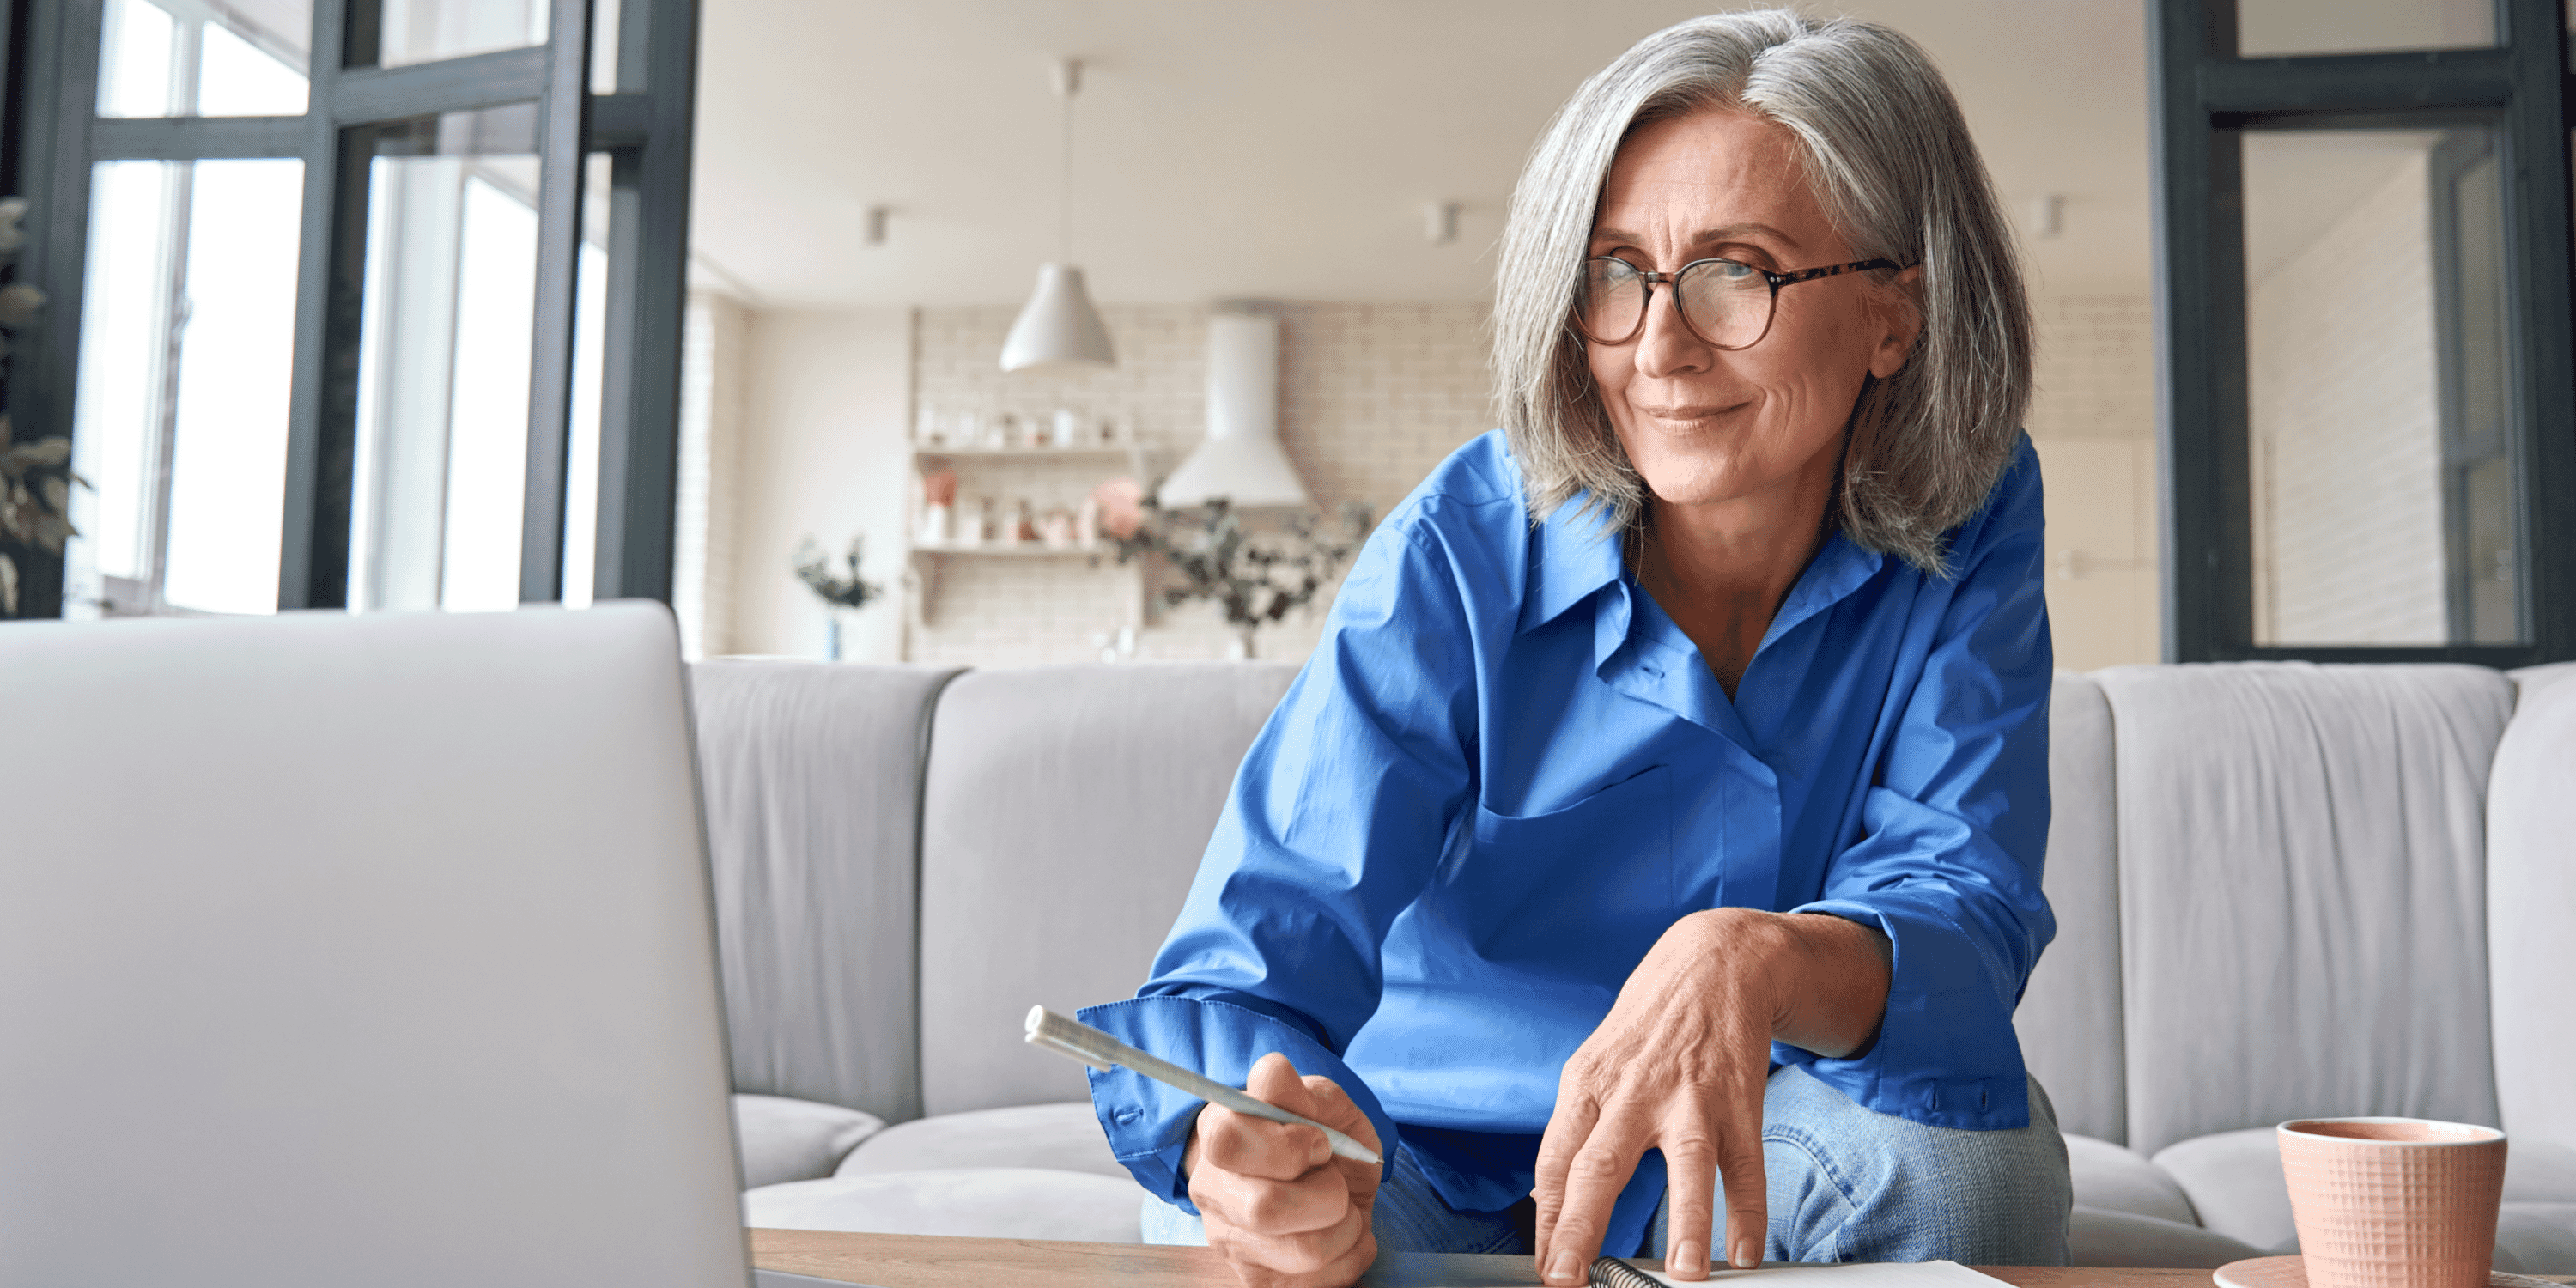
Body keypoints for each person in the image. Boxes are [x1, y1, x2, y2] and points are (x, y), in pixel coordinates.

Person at [1076, 11, 2070, 1287]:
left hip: (1759, 1140)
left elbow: (1962, 899)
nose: (1656, 347)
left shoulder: (1974, 509)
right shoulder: (1461, 542)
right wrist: (1245, 1143)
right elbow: (1254, 962)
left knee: (1966, 1170)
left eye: (1737, 271)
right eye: (1615, 274)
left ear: (1895, 315)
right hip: (1421, 1157)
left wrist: (1755, 957)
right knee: (1232, 1232)